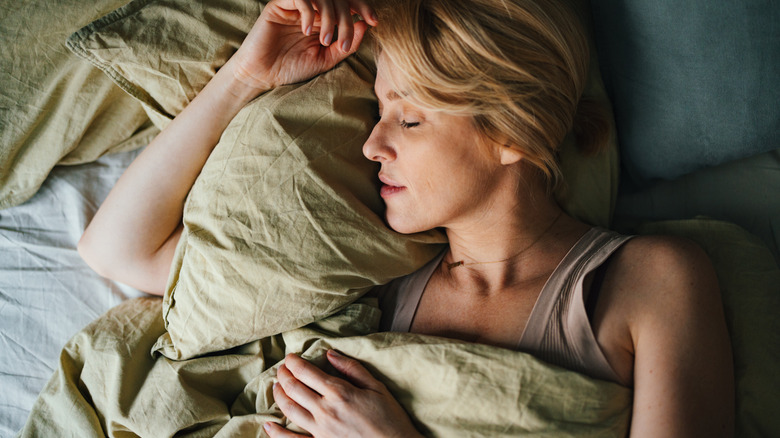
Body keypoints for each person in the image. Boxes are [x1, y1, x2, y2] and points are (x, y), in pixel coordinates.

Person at [77, 0, 735, 436]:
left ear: (511, 133)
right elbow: (117, 251)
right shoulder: (371, 275)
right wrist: (249, 73)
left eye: (409, 119)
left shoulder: (653, 282)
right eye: (379, 112)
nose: (371, 145)